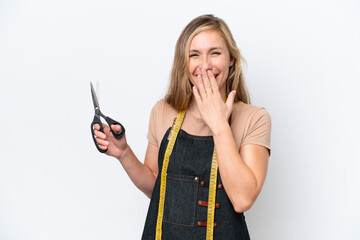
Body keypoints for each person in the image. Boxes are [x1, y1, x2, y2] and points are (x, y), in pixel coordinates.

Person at [93, 14, 271, 240]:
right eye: (194, 55)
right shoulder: (163, 110)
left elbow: (243, 199)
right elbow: (157, 188)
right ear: (183, 63)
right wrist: (124, 153)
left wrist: (218, 124)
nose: (205, 65)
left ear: (231, 59)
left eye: (215, 53)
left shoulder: (254, 118)